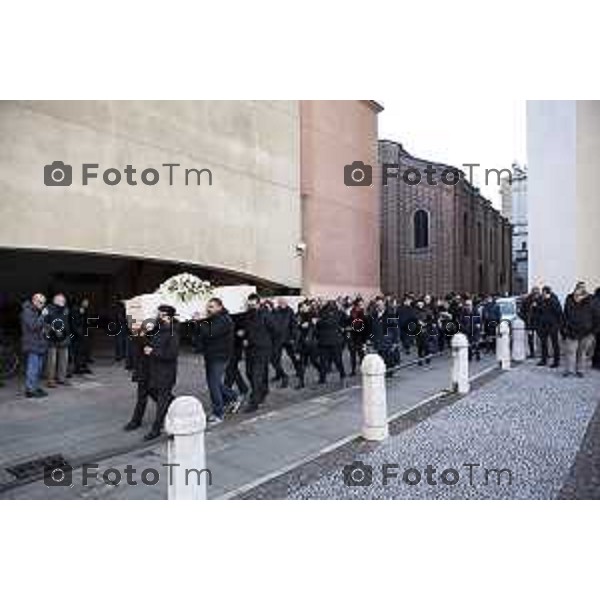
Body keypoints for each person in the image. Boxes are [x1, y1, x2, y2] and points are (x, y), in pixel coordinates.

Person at [124, 304, 179, 440]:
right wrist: (139, 334)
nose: (157, 317)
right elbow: (144, 344)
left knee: (161, 400)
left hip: (164, 372)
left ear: (169, 317)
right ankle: (136, 420)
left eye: (161, 315)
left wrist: (153, 352)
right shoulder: (155, 328)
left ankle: (156, 428)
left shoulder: (173, 332)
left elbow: (171, 354)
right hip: (149, 369)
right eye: (157, 314)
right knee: (146, 394)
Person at [194, 298, 239, 425]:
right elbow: (203, 334)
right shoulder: (212, 318)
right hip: (211, 355)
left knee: (213, 385)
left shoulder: (224, 319)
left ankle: (218, 413)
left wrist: (199, 322)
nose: (209, 309)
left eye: (212, 306)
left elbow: (210, 333)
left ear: (220, 307)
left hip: (220, 356)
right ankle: (233, 396)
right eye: (208, 306)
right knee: (214, 383)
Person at [240, 293, 274, 413]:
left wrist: (265, 341)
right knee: (250, 372)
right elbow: (247, 328)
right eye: (249, 305)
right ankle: (263, 390)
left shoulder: (266, 314)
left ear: (259, 303)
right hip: (250, 348)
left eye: (253, 305)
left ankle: (254, 402)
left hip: (263, 349)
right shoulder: (248, 314)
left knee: (256, 375)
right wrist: (244, 336)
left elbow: (275, 329)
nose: (251, 307)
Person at [562, 282, 595, 377]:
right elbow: (565, 314)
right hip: (571, 330)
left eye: (583, 287)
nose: (581, 289)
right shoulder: (569, 298)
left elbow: (596, 314)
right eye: (579, 287)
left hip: (586, 331)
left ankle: (580, 370)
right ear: (576, 288)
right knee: (570, 351)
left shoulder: (590, 299)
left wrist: (593, 332)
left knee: (582, 352)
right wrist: (564, 328)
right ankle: (569, 370)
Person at [269, 298, 302, 389]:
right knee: (275, 358)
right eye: (280, 303)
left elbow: (294, 325)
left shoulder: (290, 311)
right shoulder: (275, 311)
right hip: (278, 339)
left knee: (293, 357)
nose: (282, 304)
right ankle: (280, 375)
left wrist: (293, 337)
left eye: (283, 302)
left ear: (286, 303)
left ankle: (299, 372)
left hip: (288, 339)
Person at [20, 293, 49, 398]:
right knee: (33, 368)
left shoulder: (36, 311)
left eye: (44, 303)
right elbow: (33, 326)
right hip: (32, 344)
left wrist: (47, 328)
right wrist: (43, 316)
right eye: (41, 302)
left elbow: (40, 325)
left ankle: (35, 387)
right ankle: (30, 390)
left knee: (38, 368)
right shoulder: (27, 311)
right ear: (34, 301)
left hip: (39, 344)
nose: (42, 304)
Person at [44, 293, 71, 387]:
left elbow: (67, 322)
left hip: (64, 338)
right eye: (61, 300)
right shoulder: (48, 309)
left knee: (64, 360)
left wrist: (67, 333)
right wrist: (54, 330)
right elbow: (45, 323)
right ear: (55, 301)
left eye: (64, 300)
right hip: (52, 339)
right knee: (52, 361)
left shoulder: (66, 309)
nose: (63, 301)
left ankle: (62, 378)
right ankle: (50, 380)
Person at [316, 301, 346, 384]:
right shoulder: (337, 313)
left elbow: (320, 324)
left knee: (336, 360)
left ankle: (342, 375)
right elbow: (318, 325)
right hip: (327, 341)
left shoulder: (337, 314)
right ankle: (323, 378)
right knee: (326, 361)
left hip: (333, 341)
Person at [224, 311, 250, 397]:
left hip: (236, 346)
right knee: (232, 368)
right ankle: (243, 388)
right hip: (228, 346)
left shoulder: (240, 314)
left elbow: (244, 329)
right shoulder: (225, 314)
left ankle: (226, 391)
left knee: (230, 368)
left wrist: (243, 334)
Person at [536, 285, 562, 368]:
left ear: (547, 292)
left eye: (543, 292)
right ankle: (544, 360)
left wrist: (558, 324)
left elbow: (558, 311)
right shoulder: (541, 300)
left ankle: (556, 361)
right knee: (543, 343)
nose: (542, 294)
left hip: (553, 325)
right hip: (543, 325)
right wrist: (536, 306)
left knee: (555, 344)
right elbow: (540, 310)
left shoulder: (554, 300)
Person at [70, 297, 93, 375]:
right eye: (85, 302)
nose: (87, 304)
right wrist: (78, 332)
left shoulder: (83, 309)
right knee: (78, 351)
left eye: (87, 302)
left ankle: (82, 365)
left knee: (83, 350)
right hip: (78, 334)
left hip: (83, 332)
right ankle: (77, 367)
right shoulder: (75, 309)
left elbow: (85, 320)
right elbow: (75, 322)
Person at [347, 298, 368, 376]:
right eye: (360, 304)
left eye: (362, 304)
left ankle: (363, 369)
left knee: (361, 355)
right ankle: (353, 370)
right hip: (353, 337)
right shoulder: (352, 313)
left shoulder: (363, 313)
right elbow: (349, 324)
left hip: (360, 337)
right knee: (353, 355)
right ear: (357, 305)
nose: (362, 306)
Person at [520, 287, 541, 358]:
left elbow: (543, 310)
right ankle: (532, 353)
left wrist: (537, 307)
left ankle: (540, 352)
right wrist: (525, 318)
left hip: (539, 322)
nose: (536, 295)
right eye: (535, 293)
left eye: (537, 293)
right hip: (530, 322)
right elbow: (522, 311)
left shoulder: (541, 300)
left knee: (540, 338)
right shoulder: (527, 300)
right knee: (530, 338)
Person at [593, 287, 600, 370]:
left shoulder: (594, 300)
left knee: (597, 346)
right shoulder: (597, 302)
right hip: (597, 327)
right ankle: (597, 363)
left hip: (595, 327)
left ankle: (595, 362)